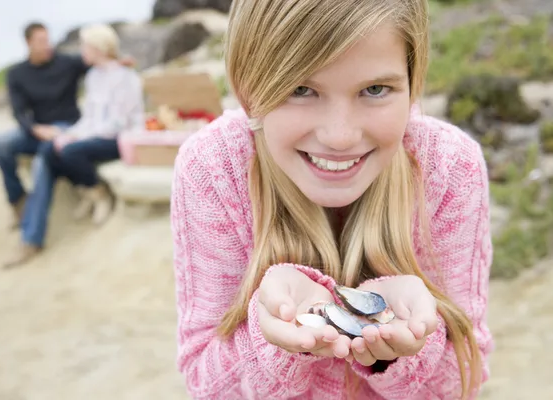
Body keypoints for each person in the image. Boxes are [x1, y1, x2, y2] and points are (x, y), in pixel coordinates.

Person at [170, 0, 494, 399]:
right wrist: (270, 335)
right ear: (247, 90)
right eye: (300, 89)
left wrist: (407, 346)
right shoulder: (213, 168)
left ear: (413, 85)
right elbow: (205, 384)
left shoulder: (448, 167)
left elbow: (462, 377)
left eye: (375, 89)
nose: (340, 136)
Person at [3, 23, 145, 268]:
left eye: (85, 45)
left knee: (69, 149)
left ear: (98, 48)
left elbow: (117, 123)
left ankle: (97, 192)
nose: (81, 51)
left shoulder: (126, 78)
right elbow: (88, 118)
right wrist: (71, 134)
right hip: (92, 133)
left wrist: (77, 137)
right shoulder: (92, 76)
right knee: (50, 149)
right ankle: (83, 193)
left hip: (120, 137)